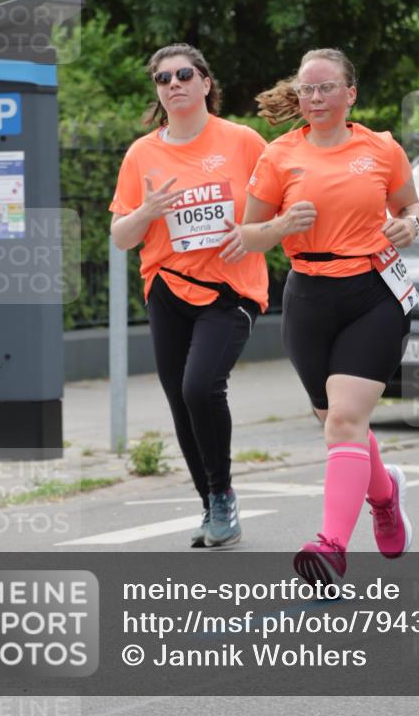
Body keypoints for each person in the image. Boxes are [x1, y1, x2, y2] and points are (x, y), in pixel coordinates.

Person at [230, 47, 419, 584]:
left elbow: (410, 207)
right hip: (309, 297)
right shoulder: (278, 155)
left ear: (350, 93)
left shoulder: (381, 148)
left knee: (343, 421)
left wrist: (410, 225)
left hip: (373, 293)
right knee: (338, 422)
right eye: (307, 89)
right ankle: (385, 497)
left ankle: (331, 547)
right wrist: (280, 227)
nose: (315, 98)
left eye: (326, 87)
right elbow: (248, 234)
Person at [109, 43, 268, 548]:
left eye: (183, 75)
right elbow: (121, 235)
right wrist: (147, 211)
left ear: (205, 82)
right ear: (157, 90)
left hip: (230, 290)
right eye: (163, 79)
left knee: (200, 387)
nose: (173, 84)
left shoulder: (243, 142)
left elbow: (281, 205)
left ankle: (222, 495)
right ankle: (213, 503)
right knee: (180, 400)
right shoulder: (142, 154)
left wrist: (254, 232)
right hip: (167, 289)